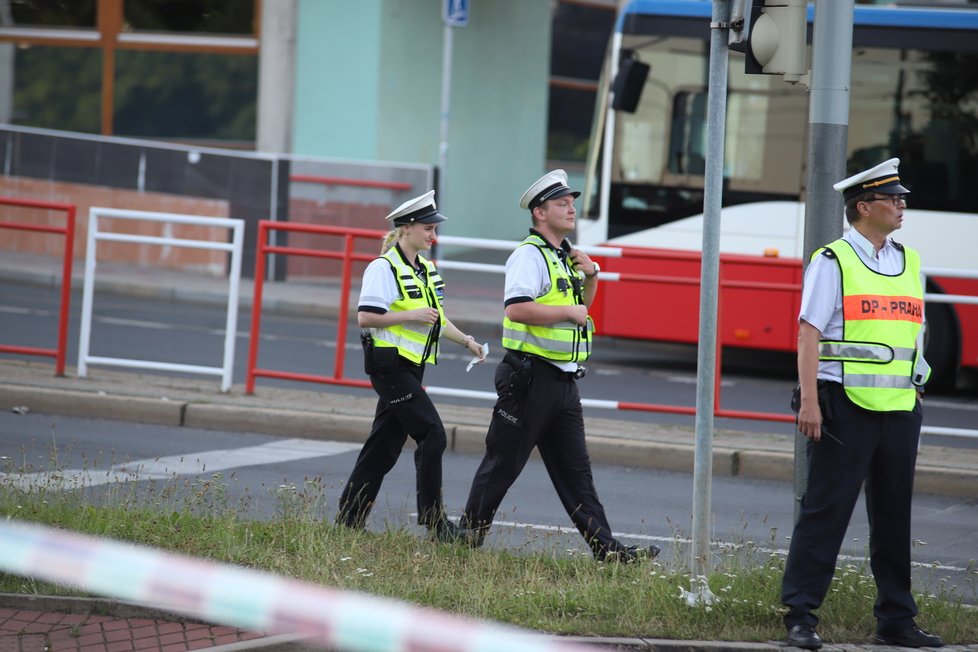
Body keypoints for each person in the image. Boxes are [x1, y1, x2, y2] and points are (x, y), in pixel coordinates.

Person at [781, 159, 943, 649]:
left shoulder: (909, 261)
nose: (902, 205)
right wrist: (809, 402)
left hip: (898, 409)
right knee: (825, 512)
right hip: (843, 405)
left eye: (902, 198)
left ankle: (896, 620)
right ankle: (801, 616)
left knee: (894, 518)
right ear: (863, 207)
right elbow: (808, 335)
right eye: (893, 199)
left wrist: (916, 387)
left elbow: (915, 331)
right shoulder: (832, 260)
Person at [458, 170, 659, 563]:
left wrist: (592, 275)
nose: (571, 208)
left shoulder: (563, 256)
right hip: (529, 378)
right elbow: (517, 308)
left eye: (572, 202)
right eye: (562, 203)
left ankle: (608, 551)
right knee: (502, 463)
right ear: (539, 212)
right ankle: (466, 538)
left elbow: (581, 309)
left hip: (563, 382)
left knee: (576, 473)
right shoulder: (528, 255)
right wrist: (569, 308)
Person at [336, 190, 486, 542]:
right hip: (389, 366)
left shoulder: (427, 270)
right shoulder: (383, 267)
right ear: (406, 229)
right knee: (432, 432)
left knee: (383, 446)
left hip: (412, 367)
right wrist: (410, 315)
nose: (434, 236)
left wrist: (467, 341)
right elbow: (365, 317)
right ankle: (435, 522)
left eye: (434, 229)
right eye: (428, 228)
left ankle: (348, 521)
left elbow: (436, 319)